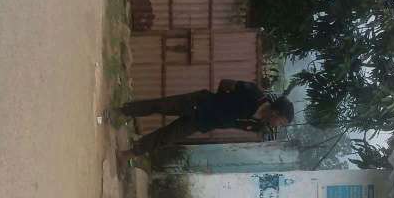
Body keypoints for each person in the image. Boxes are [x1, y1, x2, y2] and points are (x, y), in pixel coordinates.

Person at [103, 79, 294, 157]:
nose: (278, 126)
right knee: (159, 106)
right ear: (275, 113)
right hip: (198, 102)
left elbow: (230, 122)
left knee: (166, 137)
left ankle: (127, 154)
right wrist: (218, 102)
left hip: (201, 123)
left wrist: (216, 116)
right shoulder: (254, 94)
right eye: (281, 122)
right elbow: (226, 83)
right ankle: (120, 112)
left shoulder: (258, 125)